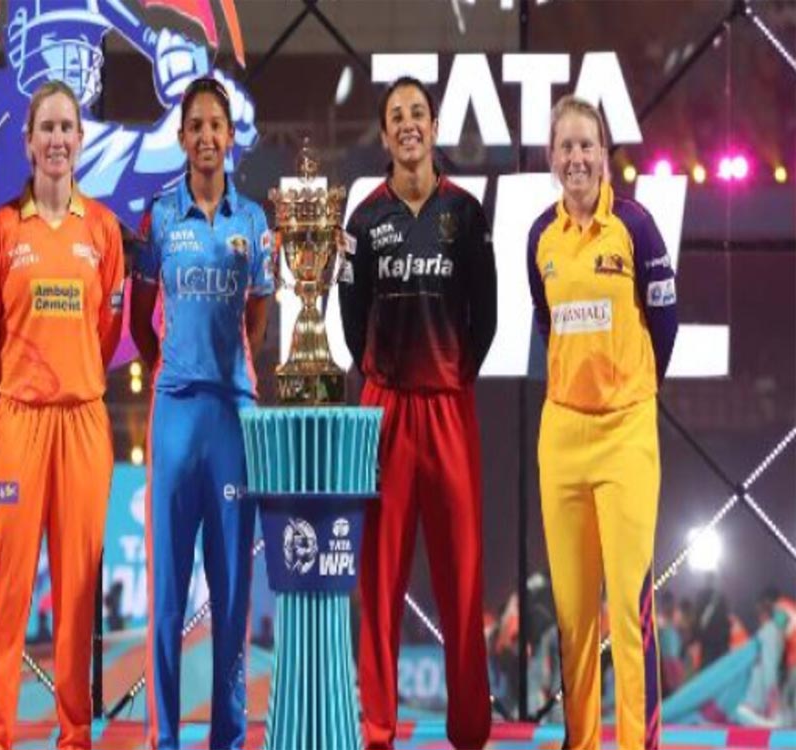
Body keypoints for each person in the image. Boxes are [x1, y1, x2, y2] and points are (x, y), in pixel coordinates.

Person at [339, 75, 497, 750]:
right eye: (396, 116)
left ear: (433, 127)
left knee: (462, 575)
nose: (408, 124)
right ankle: (378, 729)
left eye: (418, 113)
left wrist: (452, 373)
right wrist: (386, 378)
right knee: (379, 580)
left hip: (449, 408)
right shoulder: (363, 220)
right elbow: (351, 322)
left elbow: (486, 317)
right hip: (386, 411)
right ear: (384, 135)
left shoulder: (465, 212)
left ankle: (470, 731)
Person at [0, 79, 125, 750]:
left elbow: (107, 331)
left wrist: (72, 378)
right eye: (47, 129)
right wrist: (20, 382)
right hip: (18, 421)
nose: (57, 139)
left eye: (67, 127)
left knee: (78, 591)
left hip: (83, 422)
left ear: (80, 140)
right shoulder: (2, 230)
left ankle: (74, 734)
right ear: (28, 142)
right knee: (8, 590)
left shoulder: (103, 230)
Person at [527, 94, 678, 749]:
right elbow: (547, 323)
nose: (577, 157)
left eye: (587, 144)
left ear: (605, 154)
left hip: (626, 436)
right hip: (562, 436)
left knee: (628, 604)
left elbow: (664, 322)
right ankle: (581, 741)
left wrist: (631, 387)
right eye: (566, 146)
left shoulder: (636, 227)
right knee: (571, 613)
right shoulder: (540, 237)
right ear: (552, 157)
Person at [129, 75, 272, 750]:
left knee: (232, 588)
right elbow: (140, 318)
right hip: (175, 414)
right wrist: (176, 367)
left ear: (230, 136)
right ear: (183, 137)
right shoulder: (159, 217)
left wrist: (228, 373)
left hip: (232, 418)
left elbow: (258, 318)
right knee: (168, 592)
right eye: (197, 126)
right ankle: (165, 739)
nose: (208, 136)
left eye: (218, 125)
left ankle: (228, 737)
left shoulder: (253, 221)